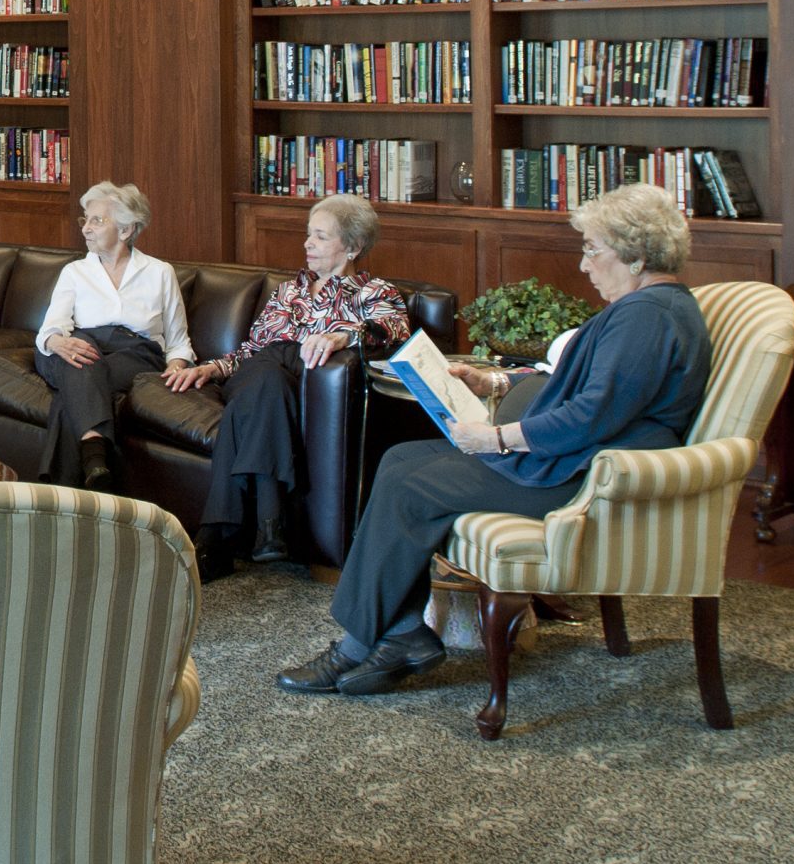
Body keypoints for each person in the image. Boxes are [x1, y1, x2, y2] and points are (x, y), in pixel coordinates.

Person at [276, 182, 709, 698]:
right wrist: (495, 383)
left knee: (411, 485)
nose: (584, 265)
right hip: (568, 459)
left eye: (593, 249)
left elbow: (589, 416)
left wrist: (496, 438)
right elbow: (577, 388)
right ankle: (400, 633)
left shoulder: (647, 316)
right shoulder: (654, 307)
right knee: (399, 460)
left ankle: (359, 645)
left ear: (636, 256)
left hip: (576, 474)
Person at [172, 193, 412, 568]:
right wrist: (210, 369)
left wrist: (340, 336)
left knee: (262, 393)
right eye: (308, 234)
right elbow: (251, 350)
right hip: (261, 370)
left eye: (319, 236)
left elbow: (393, 329)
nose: (307, 244)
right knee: (265, 374)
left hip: (298, 385)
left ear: (352, 246)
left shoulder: (373, 292)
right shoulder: (289, 291)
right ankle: (270, 524)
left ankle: (218, 536)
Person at [33, 181, 195, 491]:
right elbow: (51, 327)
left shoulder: (160, 273)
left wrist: (176, 364)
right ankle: (95, 456)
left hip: (136, 353)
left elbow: (177, 340)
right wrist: (58, 342)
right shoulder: (75, 272)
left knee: (79, 377)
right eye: (85, 219)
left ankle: (66, 485)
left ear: (125, 230)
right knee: (81, 358)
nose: (86, 229)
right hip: (79, 343)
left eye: (97, 220)